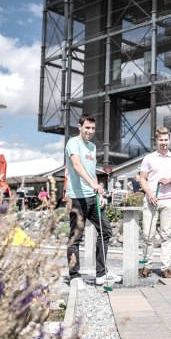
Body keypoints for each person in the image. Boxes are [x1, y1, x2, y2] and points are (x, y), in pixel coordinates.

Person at [66, 114, 121, 288]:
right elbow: (76, 165)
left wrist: (98, 193)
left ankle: (101, 274)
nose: (90, 131)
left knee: (106, 230)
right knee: (75, 238)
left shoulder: (92, 147)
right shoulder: (73, 143)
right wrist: (92, 185)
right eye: (87, 127)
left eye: (92, 128)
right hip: (77, 197)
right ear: (80, 127)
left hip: (92, 197)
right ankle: (74, 276)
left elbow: (91, 171)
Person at [139, 126, 171, 279]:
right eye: (161, 140)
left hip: (169, 201)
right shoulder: (148, 158)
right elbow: (142, 178)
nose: (164, 142)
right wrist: (150, 194)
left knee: (166, 235)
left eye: (166, 140)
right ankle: (147, 265)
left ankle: (165, 267)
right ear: (156, 141)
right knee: (147, 235)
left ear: (169, 140)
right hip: (151, 200)